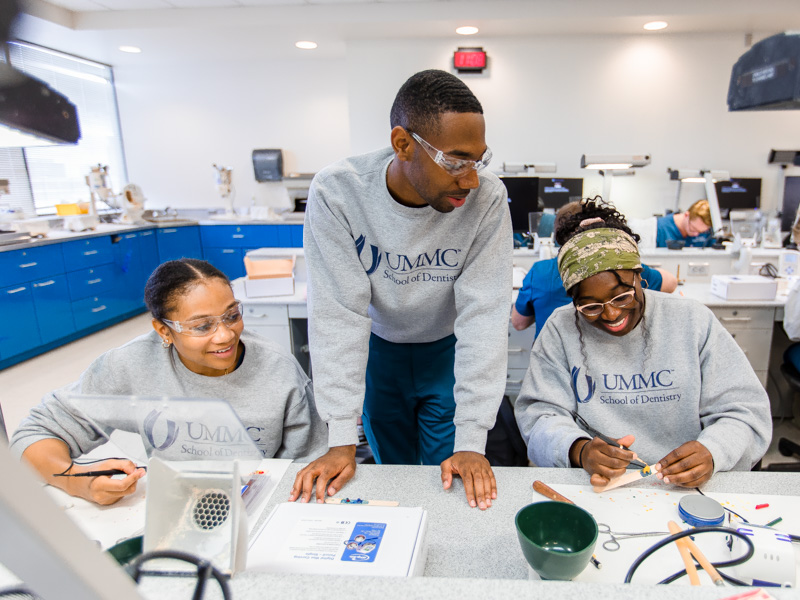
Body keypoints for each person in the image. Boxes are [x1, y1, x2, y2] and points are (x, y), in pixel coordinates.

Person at [294, 69, 512, 510]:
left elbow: (484, 317)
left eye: (478, 161)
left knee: (447, 480)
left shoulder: (486, 199)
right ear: (403, 144)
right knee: (392, 476)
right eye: (455, 161)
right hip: (380, 353)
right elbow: (339, 314)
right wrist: (339, 435)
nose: (470, 180)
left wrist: (472, 438)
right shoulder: (339, 193)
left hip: (446, 354)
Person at [10, 259, 328, 505]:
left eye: (232, 315)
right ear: (164, 331)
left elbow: (308, 465)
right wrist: (79, 481)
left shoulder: (279, 372)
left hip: (260, 502)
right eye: (202, 326)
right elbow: (36, 434)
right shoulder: (131, 364)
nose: (225, 335)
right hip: (173, 505)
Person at [514, 205, 772, 488]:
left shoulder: (691, 320)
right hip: (596, 484)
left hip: (687, 485)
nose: (611, 315)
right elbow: (538, 415)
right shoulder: (561, 329)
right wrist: (579, 450)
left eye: (622, 296)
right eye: (590, 305)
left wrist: (713, 451)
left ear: (640, 276)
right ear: (573, 299)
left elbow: (745, 411)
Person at [512, 199, 677, 336]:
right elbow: (670, 283)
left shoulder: (540, 272)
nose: (610, 314)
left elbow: (519, 323)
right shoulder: (620, 266)